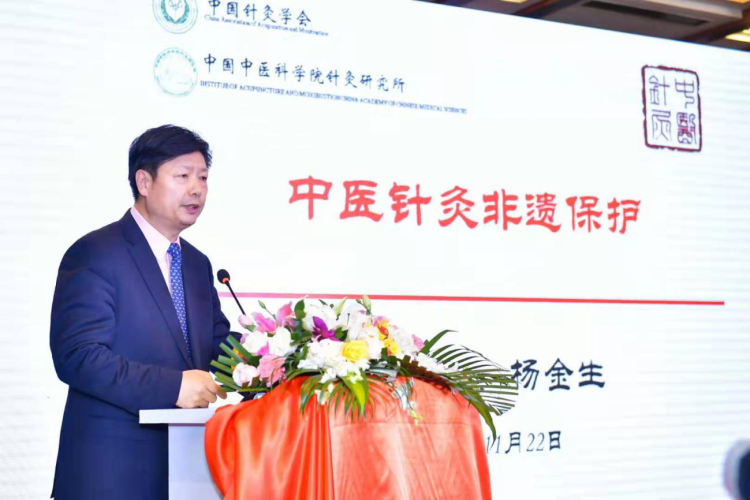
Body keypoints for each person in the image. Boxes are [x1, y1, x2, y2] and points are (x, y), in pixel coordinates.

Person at [49, 125, 237, 499]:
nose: (196, 189)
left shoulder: (196, 264)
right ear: (144, 181)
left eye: (202, 177)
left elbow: (219, 347)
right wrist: (173, 387)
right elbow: (78, 357)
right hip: (110, 473)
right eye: (183, 176)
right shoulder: (97, 252)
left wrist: (285, 360)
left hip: (186, 471)